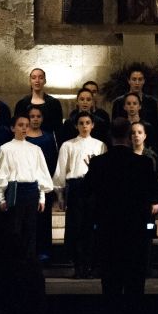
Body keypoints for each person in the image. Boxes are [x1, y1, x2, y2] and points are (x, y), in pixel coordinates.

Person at [85, 118, 158, 296]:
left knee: (110, 280)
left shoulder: (98, 163)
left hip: (108, 227)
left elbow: (86, 190)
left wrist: (92, 172)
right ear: (128, 136)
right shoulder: (143, 163)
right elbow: (157, 189)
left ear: (110, 136)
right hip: (135, 228)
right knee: (135, 280)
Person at [0, 114, 54, 259]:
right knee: (15, 228)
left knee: (31, 229)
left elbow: (40, 172)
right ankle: (15, 261)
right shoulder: (6, 149)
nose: (24, 128)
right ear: (13, 128)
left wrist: (42, 197)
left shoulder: (35, 149)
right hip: (14, 190)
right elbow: (2, 174)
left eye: (26, 125)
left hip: (31, 190)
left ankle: (29, 261)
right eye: (20, 125)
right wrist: (1, 198)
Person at [54, 111, 107, 278]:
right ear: (76, 125)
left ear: (93, 125)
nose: (84, 126)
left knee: (90, 227)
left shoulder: (100, 145)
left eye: (87, 123)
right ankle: (77, 265)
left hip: (93, 189)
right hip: (76, 187)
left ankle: (90, 264)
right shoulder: (68, 145)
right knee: (75, 227)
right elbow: (61, 170)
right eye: (81, 123)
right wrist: (60, 195)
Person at [26, 105, 59, 262]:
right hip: (27, 184)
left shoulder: (48, 137)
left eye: (38, 116)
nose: (35, 119)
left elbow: (52, 161)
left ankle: (45, 250)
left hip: (44, 183)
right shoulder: (23, 138)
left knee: (44, 219)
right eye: (32, 116)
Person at [14, 68, 64, 140]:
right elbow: (18, 128)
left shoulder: (54, 103)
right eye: (34, 78)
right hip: (27, 142)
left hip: (47, 142)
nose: (37, 81)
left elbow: (59, 129)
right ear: (30, 81)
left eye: (40, 78)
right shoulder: (22, 104)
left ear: (45, 81)